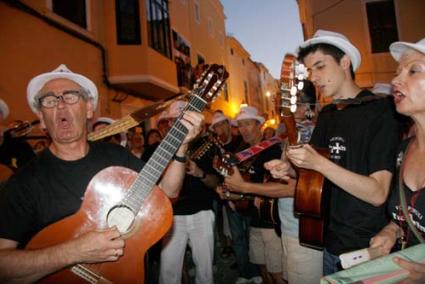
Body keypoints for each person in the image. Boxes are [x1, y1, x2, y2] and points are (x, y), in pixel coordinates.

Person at [0, 64, 203, 283]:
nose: (60, 106)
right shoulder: (23, 183)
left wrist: (181, 149)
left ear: (88, 109)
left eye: (70, 97)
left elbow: (164, 194)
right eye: (49, 100)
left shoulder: (116, 156)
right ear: (41, 118)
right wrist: (73, 252)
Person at [263, 30, 401, 275]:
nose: (313, 77)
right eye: (309, 71)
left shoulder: (381, 111)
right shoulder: (327, 115)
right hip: (327, 242)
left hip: (368, 247)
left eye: (320, 67)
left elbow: (378, 193)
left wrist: (318, 163)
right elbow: (315, 175)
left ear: (345, 62)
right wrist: (291, 170)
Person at [369, 38, 425, 283]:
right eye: (397, 72)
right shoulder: (402, 150)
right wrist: (391, 230)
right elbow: (406, 213)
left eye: (413, 70)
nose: (394, 81)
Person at [265, 80, 323, 284]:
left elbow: (301, 183)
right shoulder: (291, 130)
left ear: (307, 107)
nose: (285, 109)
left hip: (302, 225)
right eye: (283, 103)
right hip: (292, 223)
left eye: (292, 104)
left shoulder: (306, 131)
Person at [159, 100, 219, 284]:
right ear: (169, 123)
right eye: (175, 120)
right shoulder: (156, 151)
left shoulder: (208, 148)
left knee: (205, 271)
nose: (180, 125)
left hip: (202, 212)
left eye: (184, 120)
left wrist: (199, 172)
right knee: (168, 272)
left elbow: (216, 182)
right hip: (170, 217)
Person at [223, 106, 285, 284]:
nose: (243, 129)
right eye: (240, 125)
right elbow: (246, 186)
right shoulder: (243, 152)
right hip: (254, 220)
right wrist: (231, 194)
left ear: (259, 125)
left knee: (276, 272)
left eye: (247, 124)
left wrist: (248, 190)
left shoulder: (272, 149)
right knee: (262, 267)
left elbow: (278, 185)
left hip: (271, 222)